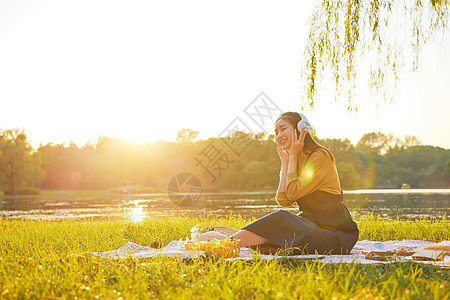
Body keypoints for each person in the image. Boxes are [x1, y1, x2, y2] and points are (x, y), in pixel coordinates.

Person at [223, 112, 359, 255]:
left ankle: (223, 245)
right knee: (273, 232)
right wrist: (285, 164)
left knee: (281, 219)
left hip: (335, 234)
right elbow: (283, 200)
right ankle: (226, 245)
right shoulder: (294, 162)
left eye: (283, 129)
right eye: (276, 132)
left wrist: (292, 157)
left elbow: (293, 193)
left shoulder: (320, 156)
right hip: (310, 226)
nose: (278, 136)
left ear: (301, 129)